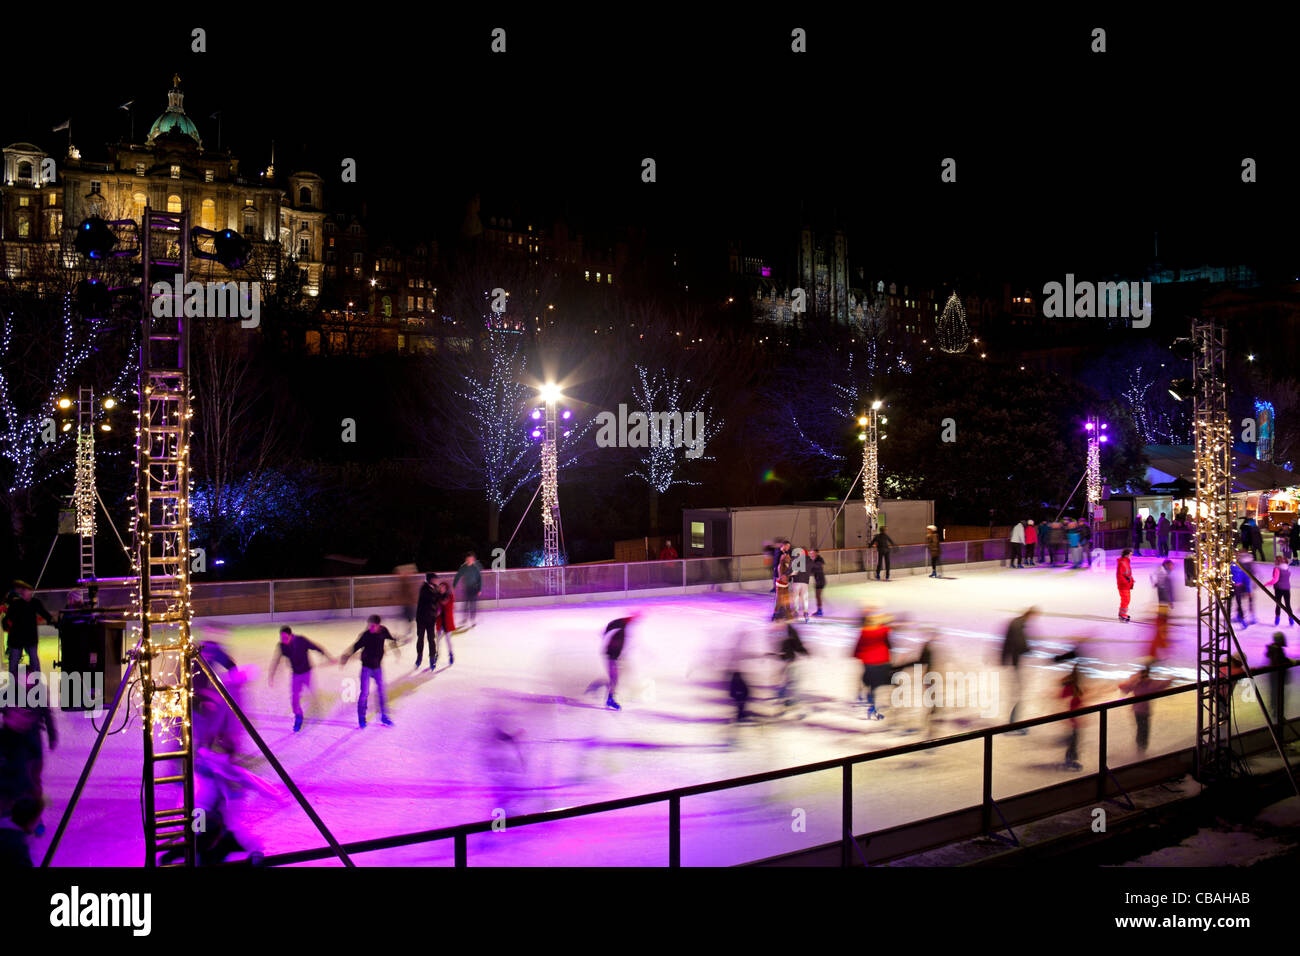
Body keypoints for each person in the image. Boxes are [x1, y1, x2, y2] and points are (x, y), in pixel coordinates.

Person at [268, 625, 335, 733]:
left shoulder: (301, 641)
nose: (283, 640)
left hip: (307, 673)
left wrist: (329, 657)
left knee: (313, 693)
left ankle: (317, 709)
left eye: (285, 638)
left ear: (291, 636)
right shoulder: (282, 646)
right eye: (282, 638)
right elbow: (276, 660)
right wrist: (272, 675)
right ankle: (298, 716)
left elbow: (317, 647)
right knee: (294, 699)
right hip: (296, 675)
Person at [340, 615, 399, 728]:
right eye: (369, 625)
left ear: (378, 625)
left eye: (373, 626)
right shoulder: (366, 635)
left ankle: (384, 717)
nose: (370, 628)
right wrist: (346, 656)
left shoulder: (383, 631)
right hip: (366, 668)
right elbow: (356, 646)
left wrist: (396, 644)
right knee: (364, 693)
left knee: (381, 692)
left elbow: (390, 638)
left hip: (377, 668)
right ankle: (361, 717)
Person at [587, 614, 638, 710]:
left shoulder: (623, 629)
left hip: (614, 656)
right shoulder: (620, 628)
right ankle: (608, 697)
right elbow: (611, 631)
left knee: (616, 678)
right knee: (614, 679)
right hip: (611, 656)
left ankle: (598, 687)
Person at [2, 581, 52, 678]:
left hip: (30, 637)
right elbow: (8, 618)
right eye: (24, 591)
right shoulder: (15, 604)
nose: (27, 593)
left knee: (34, 660)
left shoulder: (35, 603)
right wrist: (5, 624)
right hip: (17, 638)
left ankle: (37, 679)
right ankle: (13, 680)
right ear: (22, 592)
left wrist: (54, 621)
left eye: (29, 591)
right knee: (14, 660)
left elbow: (45, 614)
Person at [1118, 663, 1168, 754]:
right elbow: (1161, 685)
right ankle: (1141, 751)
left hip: (1138, 710)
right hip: (1142, 711)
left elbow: (1124, 688)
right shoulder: (1147, 683)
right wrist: (1170, 680)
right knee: (1143, 730)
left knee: (1141, 730)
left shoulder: (1138, 683)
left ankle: (1140, 750)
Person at [853, 610, 892, 719]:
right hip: (881, 661)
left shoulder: (864, 632)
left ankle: (871, 705)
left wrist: (855, 655)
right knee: (878, 685)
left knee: (871, 684)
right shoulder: (883, 631)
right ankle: (874, 707)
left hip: (868, 662)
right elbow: (889, 645)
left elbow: (858, 646)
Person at [1002, 607, 1036, 729]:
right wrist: (1028, 649)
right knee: (1018, 692)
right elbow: (1018, 642)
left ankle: (1013, 721)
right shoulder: (1018, 624)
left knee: (1017, 692)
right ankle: (1013, 722)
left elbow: (1009, 641)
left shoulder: (1017, 623)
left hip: (1013, 662)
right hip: (1015, 663)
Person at [1264, 633, 1294, 730]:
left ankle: (1275, 709)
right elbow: (1279, 661)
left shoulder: (1273, 649)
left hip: (1274, 676)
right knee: (1277, 693)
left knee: (1274, 692)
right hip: (1277, 676)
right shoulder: (1277, 650)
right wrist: (1288, 662)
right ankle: (1277, 712)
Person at [1059, 659, 1085, 771]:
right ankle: (1070, 759)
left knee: (1075, 739)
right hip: (1073, 718)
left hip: (1076, 718)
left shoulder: (1076, 687)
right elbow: (1064, 700)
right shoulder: (1071, 687)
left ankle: (1072, 758)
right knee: (1074, 739)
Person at [0, 797, 42, 866]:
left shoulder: (4, 829)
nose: (40, 822)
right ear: (31, 820)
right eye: (38, 818)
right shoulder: (19, 844)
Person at [414, 573, 440, 670]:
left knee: (431, 639)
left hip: (431, 619)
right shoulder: (424, 588)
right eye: (435, 579)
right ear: (430, 580)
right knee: (420, 638)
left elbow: (438, 600)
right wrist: (438, 590)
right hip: (421, 619)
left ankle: (432, 658)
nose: (436, 581)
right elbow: (431, 597)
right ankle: (419, 657)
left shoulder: (435, 588)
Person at [453, 552, 483, 628]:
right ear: (466, 559)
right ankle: (465, 619)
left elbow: (480, 579)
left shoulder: (475, 568)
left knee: (473, 605)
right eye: (468, 559)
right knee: (466, 605)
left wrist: (479, 589)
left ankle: (472, 620)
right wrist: (454, 586)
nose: (470, 560)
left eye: (471, 559)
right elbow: (457, 576)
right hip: (467, 589)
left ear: (473, 559)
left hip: (474, 589)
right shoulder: (463, 568)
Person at [1265, 555, 1295, 627]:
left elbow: (1275, 580)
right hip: (1287, 588)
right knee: (1288, 605)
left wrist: (1265, 584)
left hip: (1279, 589)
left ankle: (1277, 619)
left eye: (1275, 560)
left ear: (1278, 562)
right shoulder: (1287, 568)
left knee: (1278, 604)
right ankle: (1291, 619)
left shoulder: (1277, 569)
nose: (1274, 561)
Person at [1231, 554, 1256, 629]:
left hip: (1235, 587)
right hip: (1237, 587)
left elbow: (1246, 579)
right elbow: (1247, 579)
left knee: (1238, 603)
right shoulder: (1241, 567)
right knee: (1238, 603)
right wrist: (1248, 590)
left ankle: (1241, 618)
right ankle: (1241, 619)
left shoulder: (1233, 566)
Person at [436, 581, 456, 665]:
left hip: (447, 621)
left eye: (443, 587)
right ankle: (437, 654)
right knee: (437, 640)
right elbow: (435, 607)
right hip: (440, 621)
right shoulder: (437, 597)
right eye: (440, 587)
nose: (441, 589)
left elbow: (450, 607)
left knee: (448, 640)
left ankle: (451, 654)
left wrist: (440, 607)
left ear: (446, 588)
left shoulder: (450, 596)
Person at [790, 548, 811, 622]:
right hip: (804, 582)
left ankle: (796, 611)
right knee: (805, 598)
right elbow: (812, 569)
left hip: (796, 582)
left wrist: (788, 575)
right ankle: (805, 612)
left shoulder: (796, 560)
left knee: (796, 597)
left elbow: (793, 571)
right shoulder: (809, 561)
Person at [772, 548, 792, 620]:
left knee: (787, 600)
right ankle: (775, 614)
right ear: (783, 559)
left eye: (789, 557)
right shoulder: (780, 566)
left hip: (785, 585)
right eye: (787, 557)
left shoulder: (788, 565)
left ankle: (788, 614)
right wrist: (787, 574)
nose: (789, 558)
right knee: (779, 601)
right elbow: (782, 577)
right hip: (780, 585)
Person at [1116, 548, 1135, 622]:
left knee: (1127, 600)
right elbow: (1120, 575)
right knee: (1125, 600)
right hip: (1123, 585)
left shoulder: (1126, 562)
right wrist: (1127, 582)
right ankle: (1122, 615)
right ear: (1127, 554)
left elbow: (1128, 574)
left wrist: (1132, 581)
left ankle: (1122, 614)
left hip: (1126, 585)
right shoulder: (1123, 562)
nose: (1131, 556)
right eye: (1131, 554)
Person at [810, 549, 827, 617]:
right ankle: (819, 610)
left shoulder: (819, 559)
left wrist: (812, 564)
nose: (811, 554)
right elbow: (811, 571)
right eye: (810, 553)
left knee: (818, 596)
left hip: (821, 580)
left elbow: (819, 566)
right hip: (818, 580)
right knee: (817, 596)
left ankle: (819, 611)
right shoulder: (813, 560)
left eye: (813, 553)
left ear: (816, 553)